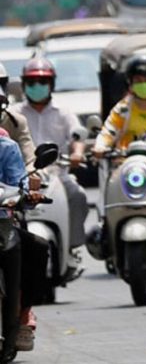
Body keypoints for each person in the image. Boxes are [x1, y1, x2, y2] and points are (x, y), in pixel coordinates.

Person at [11, 57, 88, 252]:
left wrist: (77, 154)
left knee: (77, 195)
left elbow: (77, 135)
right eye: (32, 82)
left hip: (57, 176)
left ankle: (71, 247)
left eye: (42, 82)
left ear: (51, 84)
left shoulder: (63, 113)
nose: (37, 86)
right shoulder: (14, 114)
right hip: (21, 178)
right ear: (24, 85)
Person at [0, 127, 45, 353]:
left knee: (38, 248)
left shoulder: (7, 147)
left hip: (3, 222)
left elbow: (18, 184)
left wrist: (28, 195)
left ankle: (24, 314)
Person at [93, 54, 146, 154]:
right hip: (126, 160)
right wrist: (100, 146)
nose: (143, 84)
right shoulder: (122, 109)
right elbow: (109, 131)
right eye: (138, 81)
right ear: (130, 83)